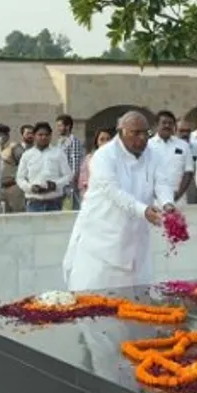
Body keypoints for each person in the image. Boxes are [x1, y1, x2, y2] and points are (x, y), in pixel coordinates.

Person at [62, 111, 176, 291]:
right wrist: (143, 210)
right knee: (96, 305)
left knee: (138, 303)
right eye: (135, 133)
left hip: (136, 239)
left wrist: (168, 204)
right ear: (121, 131)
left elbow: (162, 182)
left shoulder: (154, 154)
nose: (142, 138)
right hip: (102, 241)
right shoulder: (104, 156)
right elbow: (112, 191)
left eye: (145, 133)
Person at [18, 122, 72, 212]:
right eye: (40, 135)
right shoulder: (27, 155)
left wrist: (55, 185)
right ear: (34, 136)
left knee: (54, 226)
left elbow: (68, 176)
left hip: (54, 202)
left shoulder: (58, 153)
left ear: (50, 136)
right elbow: (20, 178)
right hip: (34, 202)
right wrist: (30, 188)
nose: (43, 137)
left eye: (47, 135)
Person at [55, 114, 86, 209]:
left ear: (67, 126)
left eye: (60, 126)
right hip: (61, 183)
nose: (58, 128)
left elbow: (75, 164)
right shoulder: (60, 142)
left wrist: (70, 183)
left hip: (70, 185)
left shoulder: (74, 142)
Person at [78, 128, 114, 200]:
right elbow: (83, 182)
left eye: (108, 139)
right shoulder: (89, 159)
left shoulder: (117, 159)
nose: (105, 142)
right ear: (97, 142)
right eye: (102, 139)